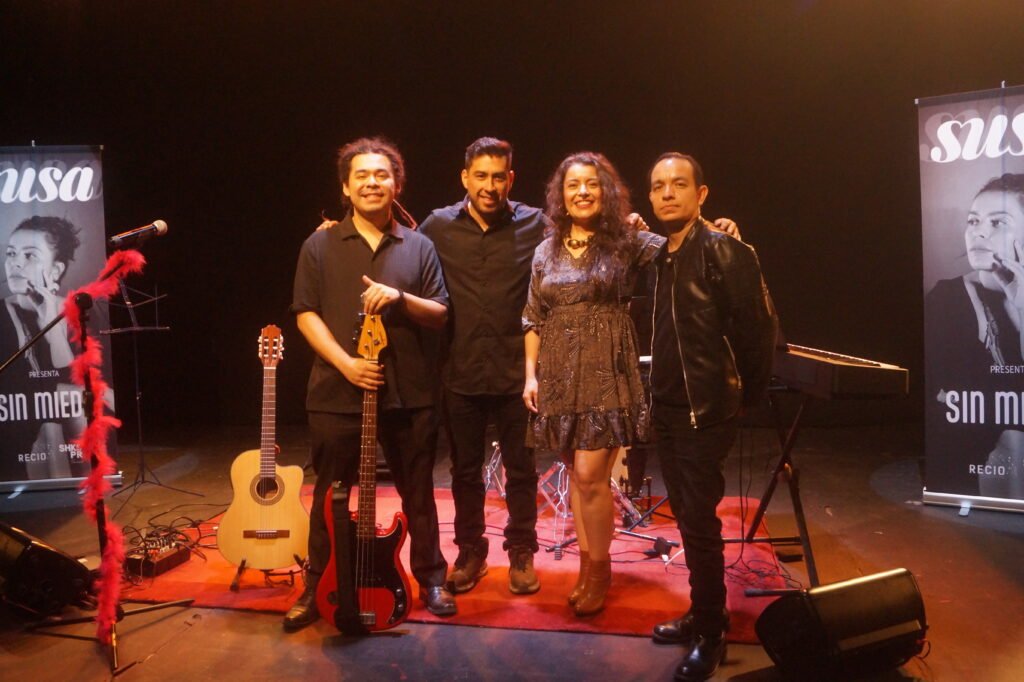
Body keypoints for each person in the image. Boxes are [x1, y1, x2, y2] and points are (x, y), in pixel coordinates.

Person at [287, 137, 456, 631]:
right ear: (346, 187)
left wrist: (399, 297)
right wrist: (346, 365)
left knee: (418, 493)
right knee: (329, 496)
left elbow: (440, 313)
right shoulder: (318, 245)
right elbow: (305, 314)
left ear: (396, 185)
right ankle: (316, 585)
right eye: (361, 175)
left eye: (382, 175)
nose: (372, 183)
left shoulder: (419, 246)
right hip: (337, 392)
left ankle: (432, 578)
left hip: (410, 394)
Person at [644, 153, 777, 682]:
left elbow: (758, 330)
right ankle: (706, 612)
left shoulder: (724, 249)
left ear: (701, 194)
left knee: (698, 521)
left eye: (678, 184)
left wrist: (745, 395)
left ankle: (710, 632)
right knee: (686, 515)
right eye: (658, 186)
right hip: (668, 406)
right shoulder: (660, 256)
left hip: (706, 409)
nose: (667, 193)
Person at [522, 151, 664, 616]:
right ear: (560, 195)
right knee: (578, 477)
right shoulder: (545, 250)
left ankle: (601, 572)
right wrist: (531, 375)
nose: (582, 192)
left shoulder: (626, 241)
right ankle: (586, 569)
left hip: (607, 369)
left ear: (605, 190)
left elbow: (680, 251)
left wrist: (715, 229)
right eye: (573, 185)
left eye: (591, 184)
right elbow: (532, 317)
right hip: (559, 374)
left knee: (589, 476)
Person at [418, 138, 546, 595]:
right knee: (465, 472)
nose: (489, 186)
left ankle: (522, 550)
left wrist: (629, 225)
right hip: (461, 368)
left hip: (517, 372)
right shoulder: (438, 226)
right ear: (465, 178)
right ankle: (471, 551)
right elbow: (400, 247)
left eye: (498, 177)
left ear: (511, 179)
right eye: (481, 176)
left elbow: (584, 236)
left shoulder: (536, 223)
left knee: (521, 471)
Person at [925, 172, 1024, 499]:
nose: (979, 231)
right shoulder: (947, 300)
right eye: (973, 221)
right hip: (967, 480)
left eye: (998, 222)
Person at [2, 215, 86, 480]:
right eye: (11, 253)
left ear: (56, 270)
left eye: (30, 256)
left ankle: (86, 491)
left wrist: (49, 318)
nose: (16, 263)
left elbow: (73, 377)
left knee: (69, 410)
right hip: (12, 415)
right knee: (51, 421)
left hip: (57, 410)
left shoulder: (76, 310)